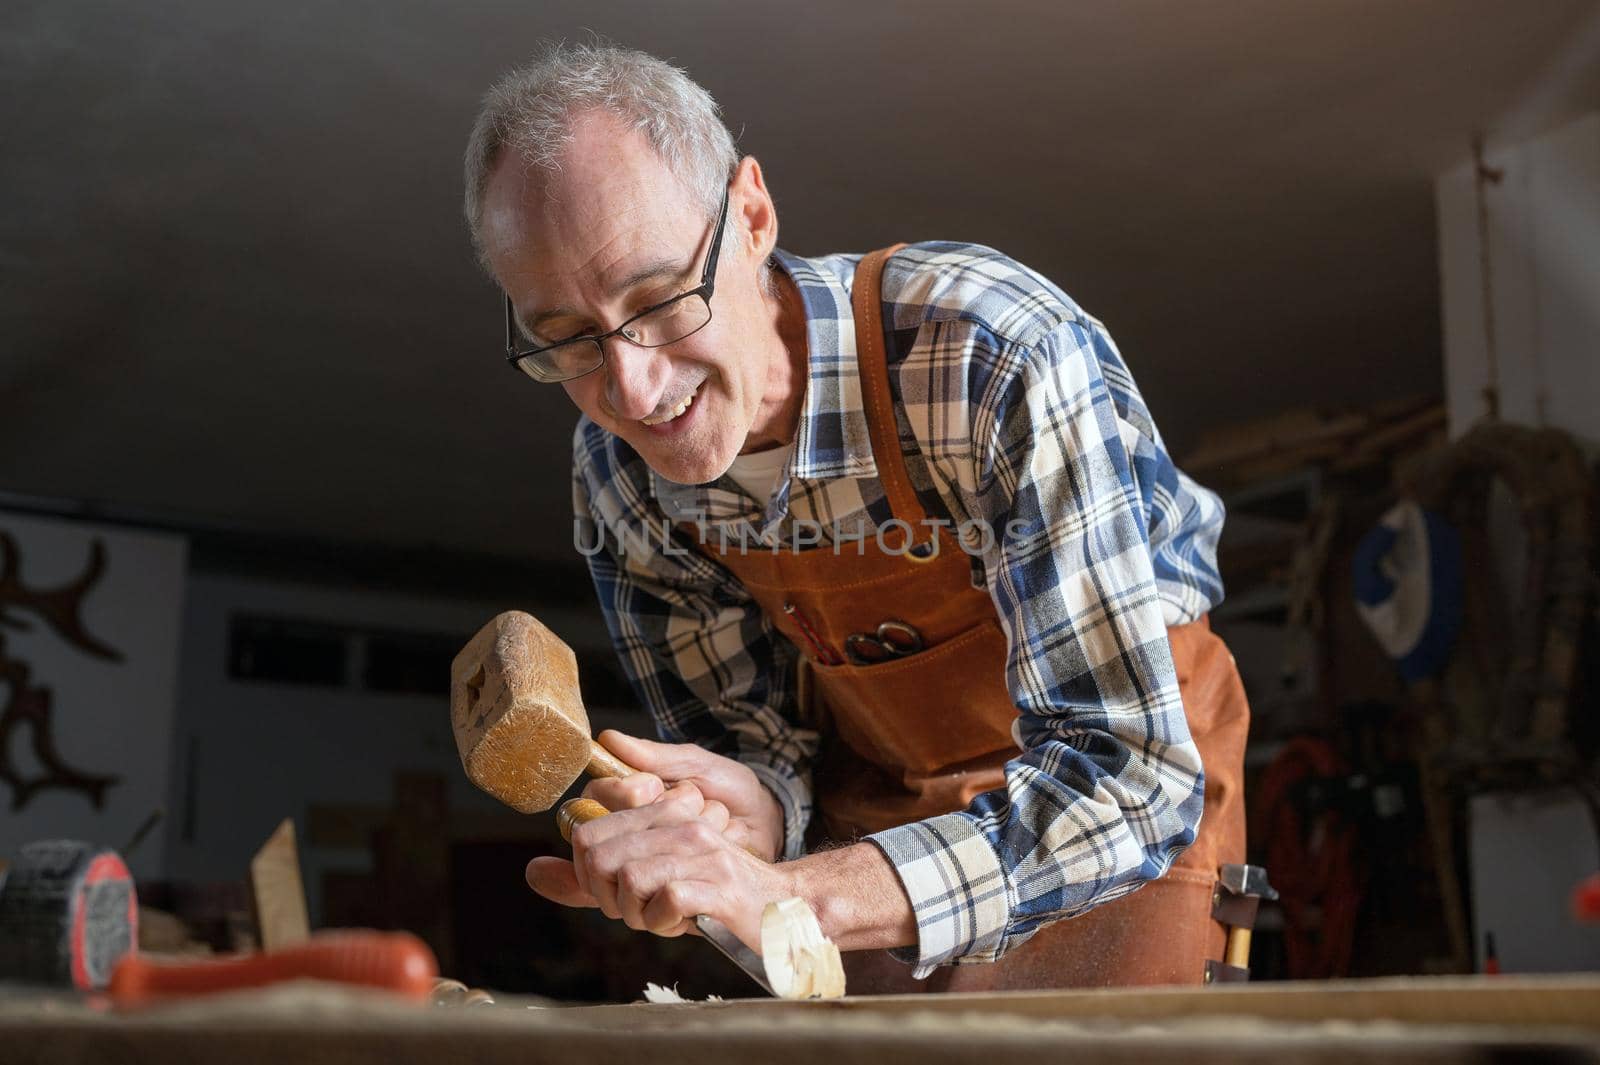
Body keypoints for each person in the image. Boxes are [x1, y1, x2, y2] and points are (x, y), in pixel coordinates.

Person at [462, 42, 1249, 991]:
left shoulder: (983, 358)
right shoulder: (622, 476)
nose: (632, 388)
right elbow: (759, 750)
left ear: (750, 216)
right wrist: (747, 810)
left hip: (1117, 833)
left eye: (661, 300)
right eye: (568, 340)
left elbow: (1127, 777)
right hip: (873, 827)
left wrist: (795, 893)